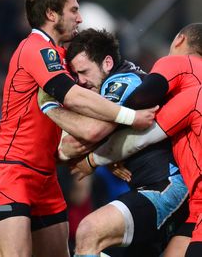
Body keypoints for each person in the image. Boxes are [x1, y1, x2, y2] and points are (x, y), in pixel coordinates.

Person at [0, 0, 157, 257]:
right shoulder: (36, 49)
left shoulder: (63, 57)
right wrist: (130, 117)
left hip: (46, 173)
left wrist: (105, 156)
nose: (79, 18)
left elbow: (82, 117)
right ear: (52, 14)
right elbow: (73, 98)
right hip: (10, 169)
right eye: (73, 10)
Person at [38, 28, 189, 257]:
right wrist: (107, 154)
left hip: (165, 186)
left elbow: (92, 131)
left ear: (107, 62)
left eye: (84, 72)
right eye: (76, 76)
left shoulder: (121, 81)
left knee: (90, 231)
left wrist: (50, 107)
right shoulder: (120, 83)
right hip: (154, 187)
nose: (81, 82)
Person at [86, 23, 202, 257]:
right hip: (194, 202)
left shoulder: (180, 63)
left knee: (89, 233)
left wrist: (93, 155)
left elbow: (142, 102)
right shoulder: (191, 92)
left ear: (179, 40)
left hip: (185, 194)